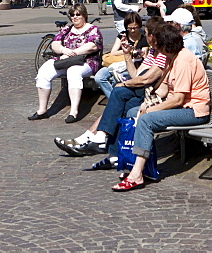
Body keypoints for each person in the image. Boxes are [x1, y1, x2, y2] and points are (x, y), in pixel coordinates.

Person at [112, 22, 209, 191]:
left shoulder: (183, 61)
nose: (154, 47)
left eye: (156, 44)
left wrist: (150, 110)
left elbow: (178, 99)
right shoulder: (172, 59)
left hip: (193, 110)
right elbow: (164, 89)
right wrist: (147, 103)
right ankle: (137, 162)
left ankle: (137, 174)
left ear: (165, 45)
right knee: (133, 111)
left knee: (146, 119)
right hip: (180, 107)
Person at [57, 17, 169, 161]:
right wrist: (127, 55)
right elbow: (136, 74)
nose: (143, 35)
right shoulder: (153, 52)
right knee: (120, 103)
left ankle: (96, 138)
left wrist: (126, 84)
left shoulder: (162, 54)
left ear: (152, 36)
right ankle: (101, 145)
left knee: (119, 93)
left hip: (151, 93)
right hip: (141, 90)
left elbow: (146, 79)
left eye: (145, 33)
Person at [30, 4, 103, 123]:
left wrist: (73, 53)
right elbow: (55, 43)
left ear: (84, 15)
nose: (75, 17)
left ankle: (73, 111)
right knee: (43, 72)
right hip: (65, 59)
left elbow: (93, 46)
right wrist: (64, 51)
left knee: (73, 72)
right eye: (72, 15)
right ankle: (42, 110)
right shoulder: (66, 29)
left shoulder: (93, 29)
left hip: (86, 61)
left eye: (78, 14)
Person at [93, 12, 147, 98]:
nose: (132, 30)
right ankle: (113, 99)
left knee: (116, 80)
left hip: (131, 66)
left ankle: (115, 100)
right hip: (116, 64)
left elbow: (144, 55)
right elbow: (113, 52)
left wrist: (134, 53)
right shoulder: (123, 35)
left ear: (139, 26)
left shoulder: (143, 38)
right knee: (99, 77)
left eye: (135, 28)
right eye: (130, 28)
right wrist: (127, 51)